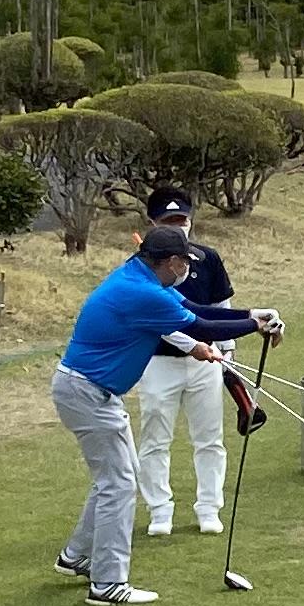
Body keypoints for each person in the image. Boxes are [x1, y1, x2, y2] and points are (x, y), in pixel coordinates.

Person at [52, 225, 276, 606]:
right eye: (185, 261)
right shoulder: (141, 292)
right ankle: (106, 585)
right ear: (172, 262)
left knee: (114, 479)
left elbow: (191, 311)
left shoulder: (137, 275)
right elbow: (202, 326)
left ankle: (76, 557)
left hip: (88, 391)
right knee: (119, 485)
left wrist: (250, 313)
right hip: (87, 393)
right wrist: (254, 326)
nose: (188, 267)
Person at [124, 187, 236, 539]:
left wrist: (228, 354)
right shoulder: (139, 269)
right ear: (152, 223)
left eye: (182, 221)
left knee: (209, 438)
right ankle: (160, 510)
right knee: (156, 438)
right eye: (169, 221)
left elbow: (219, 311)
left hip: (207, 362)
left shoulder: (208, 258)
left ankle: (209, 508)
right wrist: (195, 345)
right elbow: (163, 321)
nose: (178, 227)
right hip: (158, 362)